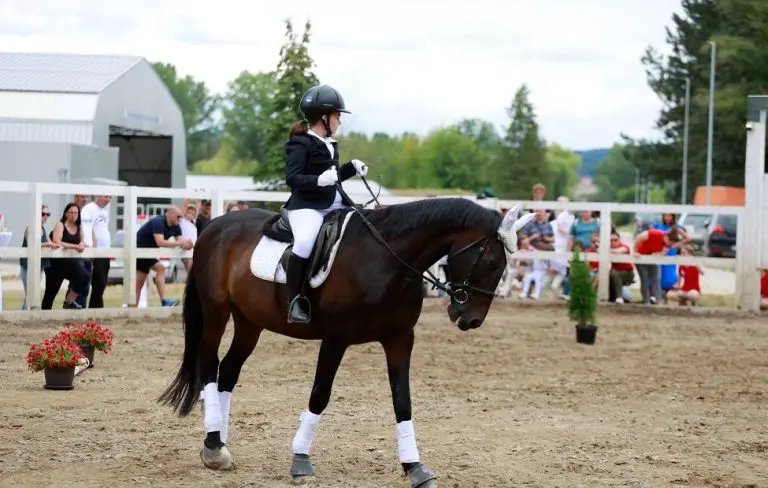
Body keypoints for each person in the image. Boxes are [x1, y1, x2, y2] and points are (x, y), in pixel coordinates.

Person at [283, 84, 369, 324]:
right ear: (323, 117)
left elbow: (333, 177)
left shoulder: (330, 143)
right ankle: (295, 299)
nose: (339, 121)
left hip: (335, 204)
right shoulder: (300, 143)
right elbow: (293, 178)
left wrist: (350, 168)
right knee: (304, 242)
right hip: (308, 206)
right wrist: (318, 180)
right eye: (337, 116)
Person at [135, 208, 193, 307]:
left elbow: (181, 242)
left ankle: (133, 306)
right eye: (178, 216)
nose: (180, 219)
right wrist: (180, 243)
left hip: (149, 253)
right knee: (160, 268)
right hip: (140, 250)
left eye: (181, 217)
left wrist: (188, 245)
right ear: (170, 214)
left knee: (139, 283)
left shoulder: (176, 226)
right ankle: (164, 301)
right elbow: (160, 242)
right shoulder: (158, 222)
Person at [80, 195, 112, 308]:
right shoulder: (88, 209)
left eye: (110, 197)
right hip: (95, 252)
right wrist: (91, 248)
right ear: (99, 196)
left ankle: (97, 308)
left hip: (105, 252)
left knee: (102, 283)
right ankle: (94, 309)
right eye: (106, 197)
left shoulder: (104, 212)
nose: (108, 200)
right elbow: (87, 229)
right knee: (98, 282)